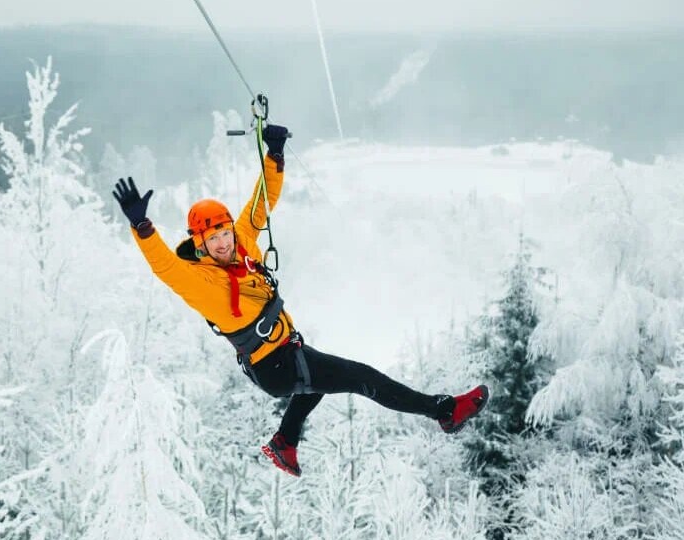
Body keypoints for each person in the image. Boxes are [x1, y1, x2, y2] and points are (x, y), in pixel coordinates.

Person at [112, 124, 489, 477]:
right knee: (360, 377)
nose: (223, 242)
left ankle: (285, 442)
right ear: (201, 244)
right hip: (275, 366)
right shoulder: (203, 282)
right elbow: (166, 269)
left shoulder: (242, 244)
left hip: (283, 352)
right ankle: (444, 411)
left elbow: (261, 203)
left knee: (323, 380)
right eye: (213, 239)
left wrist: (274, 155)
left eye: (224, 233)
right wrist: (142, 227)